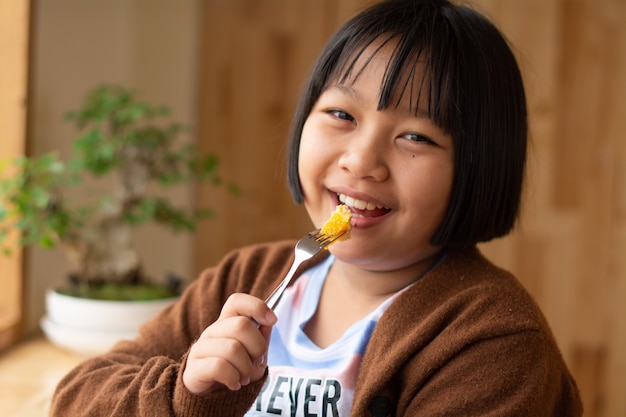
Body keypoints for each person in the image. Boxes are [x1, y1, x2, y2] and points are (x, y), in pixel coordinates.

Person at [50, 0, 583, 415]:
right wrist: (186, 393)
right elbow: (77, 397)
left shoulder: (493, 340)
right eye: (340, 115)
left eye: (416, 136)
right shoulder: (245, 277)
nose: (361, 160)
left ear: (479, 165)